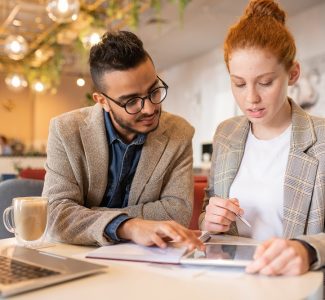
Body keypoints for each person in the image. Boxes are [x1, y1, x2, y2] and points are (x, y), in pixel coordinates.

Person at [43, 31, 203, 251]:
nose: (149, 108)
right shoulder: (66, 130)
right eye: (132, 101)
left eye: (154, 91)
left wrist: (88, 213)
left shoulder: (179, 132)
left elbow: (177, 213)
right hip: (78, 256)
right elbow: (54, 214)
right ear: (102, 101)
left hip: (148, 261)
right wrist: (128, 227)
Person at [200, 0, 325, 276]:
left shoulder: (322, 141)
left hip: (294, 285)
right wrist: (210, 221)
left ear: (293, 73)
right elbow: (209, 213)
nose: (251, 98)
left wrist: (308, 250)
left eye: (266, 82)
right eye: (239, 83)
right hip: (231, 282)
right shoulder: (226, 134)